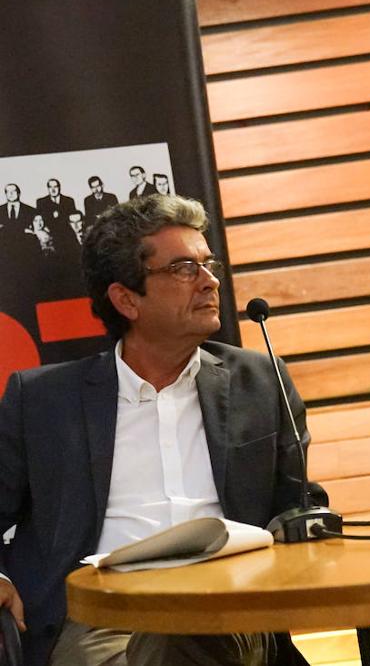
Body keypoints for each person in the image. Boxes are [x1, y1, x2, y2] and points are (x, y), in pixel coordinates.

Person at [0, 194, 313, 666]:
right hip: (101, 618)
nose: (209, 283)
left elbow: (298, 504)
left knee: (192, 635)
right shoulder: (43, 400)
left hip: (230, 609)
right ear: (126, 299)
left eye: (210, 265)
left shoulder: (260, 382)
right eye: (185, 268)